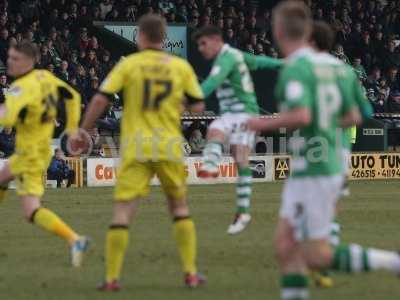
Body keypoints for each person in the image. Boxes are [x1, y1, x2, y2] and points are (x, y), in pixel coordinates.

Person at [249, 2, 400, 299]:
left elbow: (302, 116)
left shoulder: (296, 68)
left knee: (316, 255)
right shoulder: (342, 70)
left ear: (279, 31)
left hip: (315, 168)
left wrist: (258, 122)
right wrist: (326, 123)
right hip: (322, 161)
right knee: (285, 246)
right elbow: (358, 114)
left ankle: (394, 262)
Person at [71, 14, 206, 291]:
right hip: (169, 145)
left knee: (122, 212)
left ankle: (111, 278)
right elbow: (198, 107)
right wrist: (176, 106)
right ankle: (191, 273)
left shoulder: (129, 65)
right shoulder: (180, 67)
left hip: (136, 146)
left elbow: (100, 98)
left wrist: (83, 131)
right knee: (179, 208)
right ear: (164, 38)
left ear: (140, 37)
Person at [0, 40, 89, 267]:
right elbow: (73, 97)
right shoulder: (47, 79)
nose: (9, 61)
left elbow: (8, 119)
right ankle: (74, 239)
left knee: (31, 210)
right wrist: (70, 128)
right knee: (5, 181)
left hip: (29, 153)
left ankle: (74, 239)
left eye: (15, 58)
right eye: (9, 57)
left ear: (28, 61)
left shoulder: (21, 87)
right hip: (39, 151)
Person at [192, 25, 283, 235]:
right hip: (233, 114)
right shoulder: (235, 55)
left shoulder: (226, 59)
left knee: (216, 130)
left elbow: (212, 83)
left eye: (203, 43)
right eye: (198, 45)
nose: (201, 49)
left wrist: (191, 96)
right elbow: (259, 62)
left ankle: (211, 165)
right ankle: (242, 211)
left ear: (215, 39)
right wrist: (282, 62)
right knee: (238, 156)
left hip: (244, 113)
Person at [308, 20, 374, 289]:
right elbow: (366, 113)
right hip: (341, 148)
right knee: (331, 204)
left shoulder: (307, 72)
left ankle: (318, 258)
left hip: (318, 145)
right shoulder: (347, 74)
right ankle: (324, 260)